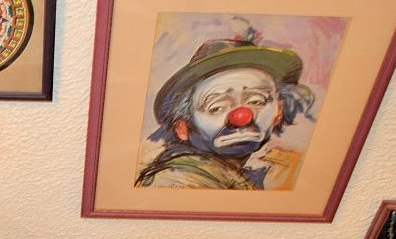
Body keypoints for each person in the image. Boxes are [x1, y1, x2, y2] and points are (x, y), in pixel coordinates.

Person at [135, 29, 316, 190]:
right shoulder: (176, 180)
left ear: (278, 111)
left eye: (256, 101)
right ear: (183, 127)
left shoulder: (277, 170)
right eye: (217, 107)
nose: (241, 117)